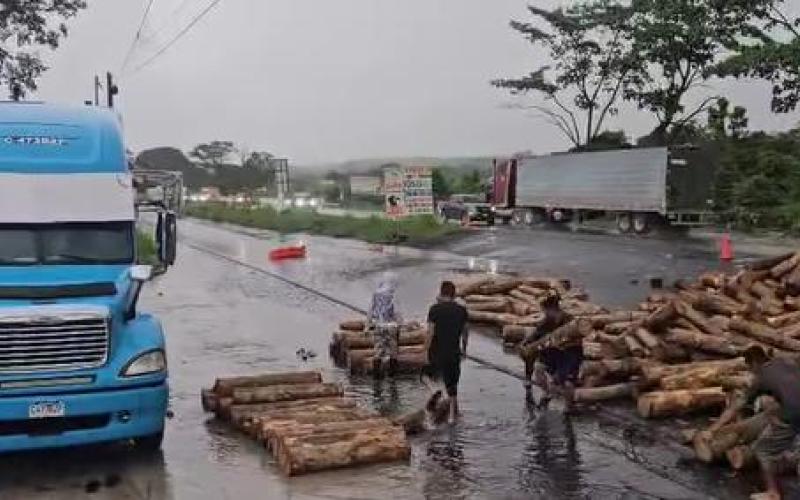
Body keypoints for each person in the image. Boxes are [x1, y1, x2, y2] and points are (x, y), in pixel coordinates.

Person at [706, 346, 800, 500]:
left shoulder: (761, 378)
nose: (751, 371)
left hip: (794, 413)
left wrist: (712, 429)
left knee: (763, 450)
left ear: (755, 362)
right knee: (774, 412)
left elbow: (736, 406)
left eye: (750, 367)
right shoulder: (784, 362)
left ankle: (772, 493)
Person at [519, 292, 580, 411]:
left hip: (569, 354)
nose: (545, 313)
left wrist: (563, 342)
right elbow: (536, 333)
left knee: (566, 382)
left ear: (552, 309)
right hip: (553, 352)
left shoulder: (570, 321)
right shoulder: (547, 321)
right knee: (539, 369)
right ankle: (547, 393)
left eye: (546, 310)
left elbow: (577, 340)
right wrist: (526, 343)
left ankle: (570, 406)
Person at [422, 280, 469, 424]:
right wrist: (464, 349)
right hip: (454, 352)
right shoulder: (462, 310)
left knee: (425, 376)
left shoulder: (434, 309)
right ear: (454, 294)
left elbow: (430, 333)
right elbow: (466, 332)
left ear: (441, 292)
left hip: (437, 351)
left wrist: (425, 352)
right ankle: (452, 418)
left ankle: (435, 390)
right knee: (452, 386)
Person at [365, 272, 403, 378]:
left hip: (378, 326)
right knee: (393, 353)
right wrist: (401, 324)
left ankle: (377, 380)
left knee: (377, 352)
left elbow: (370, 311)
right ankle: (392, 378)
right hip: (391, 327)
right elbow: (397, 312)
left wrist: (367, 326)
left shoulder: (376, 294)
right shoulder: (393, 294)